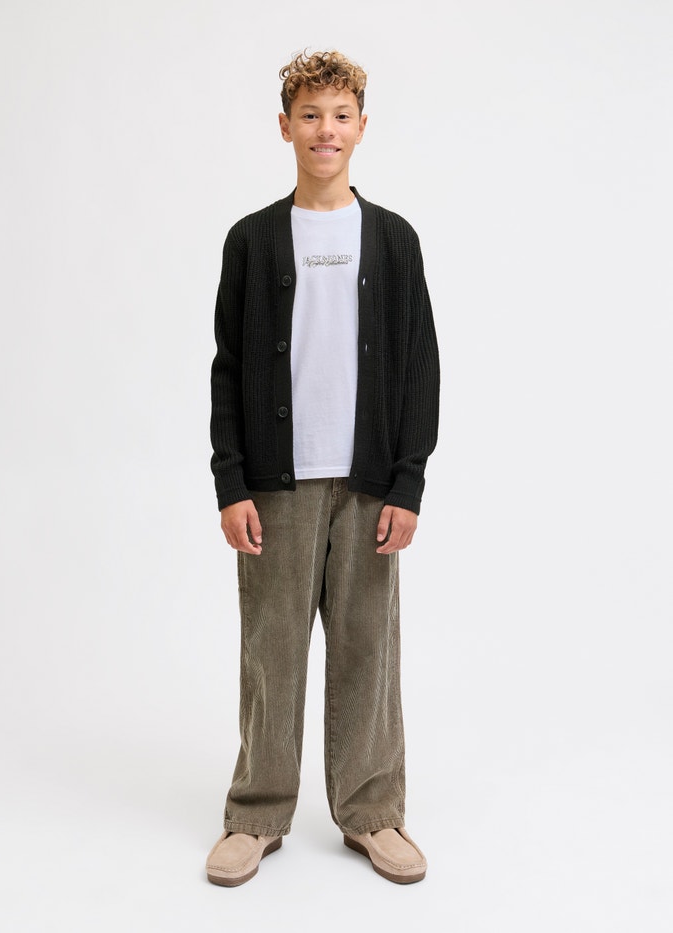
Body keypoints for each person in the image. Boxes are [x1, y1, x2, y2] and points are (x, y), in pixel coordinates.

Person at [206, 49, 440, 887]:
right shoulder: (253, 238)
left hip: (370, 483)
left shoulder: (394, 239)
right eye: (310, 115)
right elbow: (229, 367)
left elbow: (418, 366)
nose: (325, 130)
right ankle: (257, 813)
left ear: (362, 127)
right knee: (270, 653)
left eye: (340, 116)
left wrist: (407, 482)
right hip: (277, 484)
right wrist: (231, 481)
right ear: (285, 127)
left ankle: (372, 812)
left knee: (368, 652)